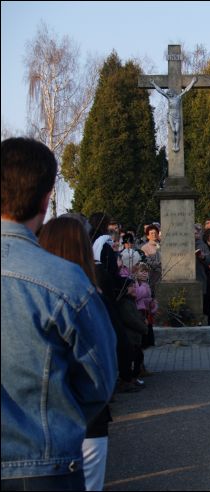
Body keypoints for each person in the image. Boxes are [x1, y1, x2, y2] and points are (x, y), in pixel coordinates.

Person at [1, 137, 117, 491]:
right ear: (46, 197)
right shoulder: (66, 281)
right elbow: (99, 380)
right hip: (42, 465)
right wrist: (54, 416)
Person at [38, 216, 116, 492]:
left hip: (35, 422)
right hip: (85, 420)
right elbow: (104, 373)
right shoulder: (87, 295)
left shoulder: (29, 292)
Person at [150, 76, 197, 152]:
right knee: (174, 130)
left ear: (172, 93)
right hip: (171, 116)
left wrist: (192, 82)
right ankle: (174, 145)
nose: (169, 93)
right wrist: (153, 83)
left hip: (177, 117)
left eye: (170, 92)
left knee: (177, 131)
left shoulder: (178, 97)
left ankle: (176, 145)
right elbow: (160, 91)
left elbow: (186, 90)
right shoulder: (169, 98)